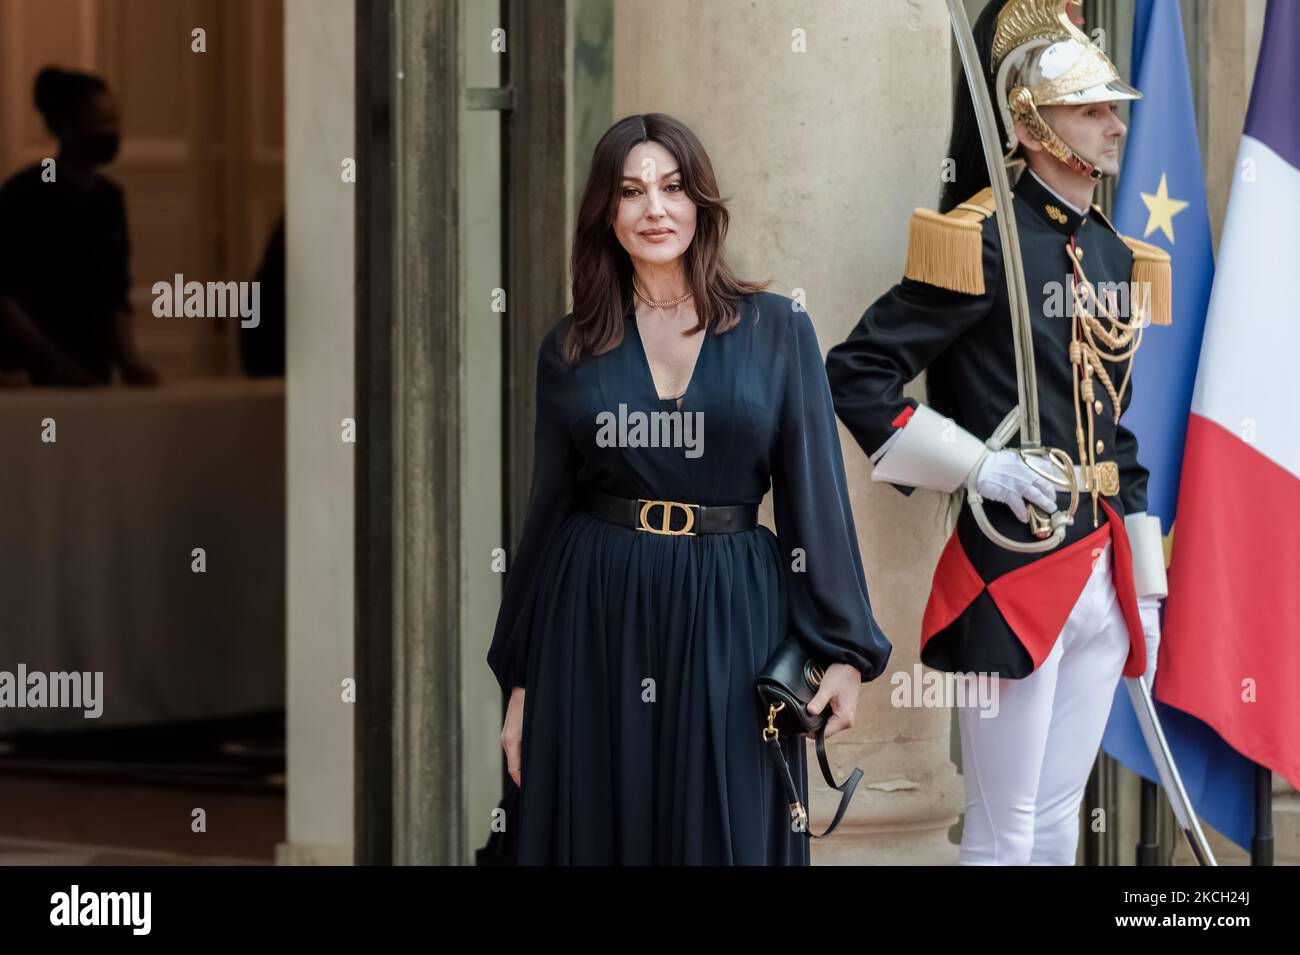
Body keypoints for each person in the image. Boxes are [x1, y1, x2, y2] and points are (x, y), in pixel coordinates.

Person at [487, 112, 892, 865]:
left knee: (724, 829)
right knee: (602, 827)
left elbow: (815, 499)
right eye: (632, 191)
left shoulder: (777, 329)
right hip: (595, 610)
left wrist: (843, 650)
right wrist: (522, 684)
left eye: (672, 188)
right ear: (607, 214)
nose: (655, 209)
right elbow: (546, 515)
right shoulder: (570, 348)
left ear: (701, 204)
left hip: (732, 613)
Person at [825, 0, 1171, 865]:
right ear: (1033, 124)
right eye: (1090, 108)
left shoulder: (1119, 254)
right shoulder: (981, 239)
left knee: (1057, 829)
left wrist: (1150, 580)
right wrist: (978, 466)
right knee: (1002, 830)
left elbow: (1112, 430)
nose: (1113, 123)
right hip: (1012, 565)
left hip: (1102, 569)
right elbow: (857, 373)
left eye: (1112, 105)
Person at [0, 66, 156, 386]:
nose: (113, 131)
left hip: (92, 371)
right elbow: (5, 294)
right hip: (30, 375)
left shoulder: (110, 199)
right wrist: (52, 361)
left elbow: (116, 292)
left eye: (116, 120)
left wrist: (129, 362)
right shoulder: (25, 193)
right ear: (67, 127)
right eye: (102, 122)